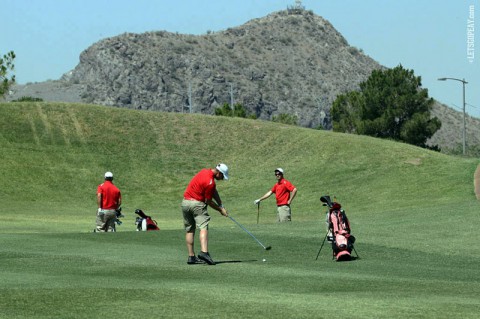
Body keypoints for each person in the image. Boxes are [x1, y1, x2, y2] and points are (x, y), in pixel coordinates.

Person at [181, 163, 229, 265]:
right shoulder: (210, 182)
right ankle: (204, 252)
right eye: (222, 176)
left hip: (185, 203)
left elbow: (213, 191)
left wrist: (221, 204)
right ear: (219, 173)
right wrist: (220, 210)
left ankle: (191, 257)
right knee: (203, 226)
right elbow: (208, 201)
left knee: (190, 229)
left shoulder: (204, 171)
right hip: (197, 204)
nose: (221, 179)